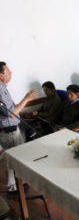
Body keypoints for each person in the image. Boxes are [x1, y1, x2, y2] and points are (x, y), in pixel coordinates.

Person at [0, 61, 38, 193]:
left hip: (11, 130)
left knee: (18, 156)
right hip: (8, 131)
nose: (11, 73)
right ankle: (12, 187)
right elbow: (11, 114)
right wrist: (27, 98)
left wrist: (25, 109)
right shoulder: (0, 89)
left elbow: (13, 107)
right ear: (1, 75)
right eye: (8, 71)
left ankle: (21, 180)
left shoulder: (3, 87)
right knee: (12, 160)